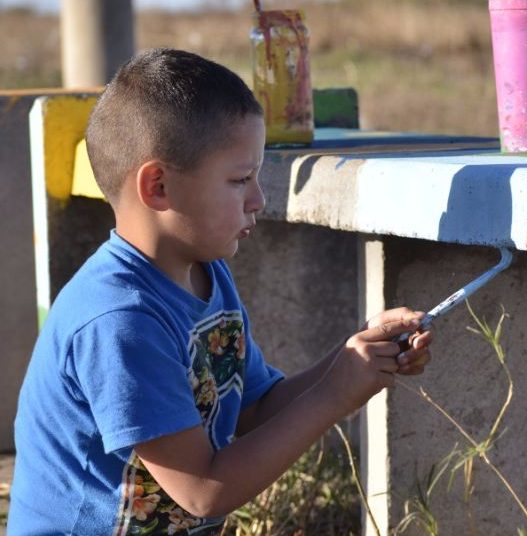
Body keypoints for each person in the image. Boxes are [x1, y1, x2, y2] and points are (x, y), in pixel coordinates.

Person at [8, 48, 432, 534]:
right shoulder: (118, 320)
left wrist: (353, 359)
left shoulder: (206, 274)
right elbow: (204, 492)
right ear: (159, 187)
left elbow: (254, 409)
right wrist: (333, 396)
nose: (259, 200)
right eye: (239, 180)